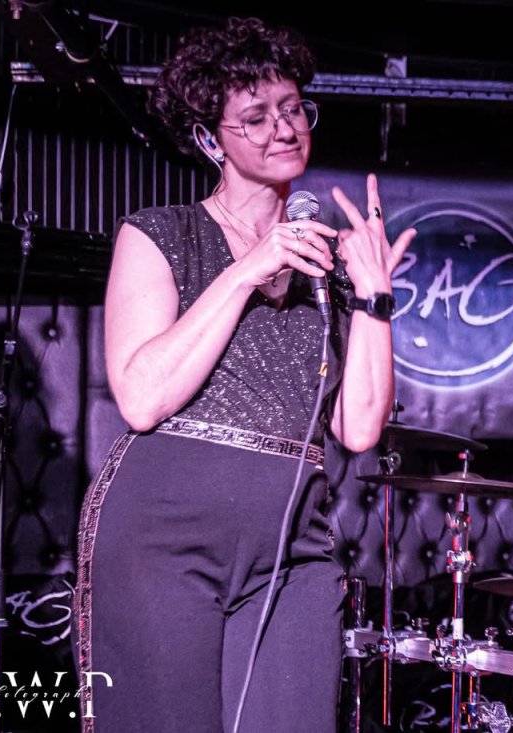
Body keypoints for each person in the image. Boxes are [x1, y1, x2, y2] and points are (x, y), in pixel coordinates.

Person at [73, 17, 413, 733]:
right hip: (163, 540)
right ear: (209, 139)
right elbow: (141, 397)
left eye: (293, 108)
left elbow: (358, 428)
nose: (284, 128)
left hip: (292, 549)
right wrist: (246, 270)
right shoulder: (160, 233)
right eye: (256, 117)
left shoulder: (328, 267)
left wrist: (375, 296)